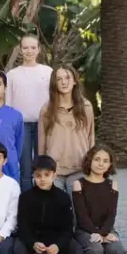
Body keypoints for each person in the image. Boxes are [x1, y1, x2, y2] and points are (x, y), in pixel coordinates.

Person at [13, 155, 86, 254]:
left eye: (46, 175)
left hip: (56, 238)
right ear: (33, 176)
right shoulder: (26, 197)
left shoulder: (63, 197)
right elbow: (23, 226)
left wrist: (58, 245)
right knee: (18, 251)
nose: (42, 179)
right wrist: (32, 242)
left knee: (76, 251)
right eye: (38, 175)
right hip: (34, 238)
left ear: (54, 175)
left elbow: (68, 227)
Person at [73, 145, 127, 254]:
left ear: (110, 164)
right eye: (97, 159)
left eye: (105, 161)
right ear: (89, 160)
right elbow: (82, 216)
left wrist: (103, 233)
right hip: (85, 230)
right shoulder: (79, 184)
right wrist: (96, 233)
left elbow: (111, 214)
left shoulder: (112, 185)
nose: (100, 164)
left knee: (117, 249)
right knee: (95, 250)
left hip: (107, 229)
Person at [38, 65, 95, 195]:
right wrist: (42, 168)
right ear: (54, 83)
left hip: (79, 169)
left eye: (67, 78)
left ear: (75, 81)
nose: (64, 82)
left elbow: (91, 137)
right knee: (56, 207)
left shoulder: (86, 107)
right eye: (59, 79)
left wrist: (91, 165)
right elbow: (41, 141)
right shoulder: (46, 110)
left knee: (77, 207)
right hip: (53, 170)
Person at [6, 34, 53, 191]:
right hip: (22, 125)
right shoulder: (12, 74)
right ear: (20, 50)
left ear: (39, 49)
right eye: (25, 47)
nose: (29, 51)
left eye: (33, 47)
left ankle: (43, 197)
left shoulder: (48, 72)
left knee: (43, 165)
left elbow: (53, 98)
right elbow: (8, 102)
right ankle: (27, 199)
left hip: (43, 124)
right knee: (25, 167)